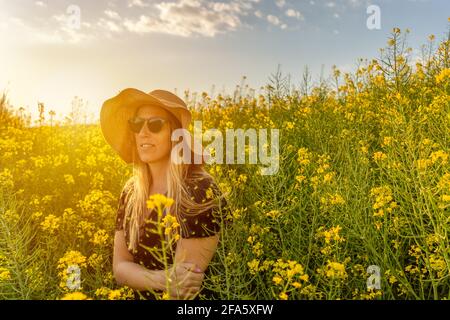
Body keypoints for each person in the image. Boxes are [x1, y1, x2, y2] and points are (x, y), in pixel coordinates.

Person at [100, 88, 229, 300]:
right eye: (136, 124)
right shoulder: (131, 191)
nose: (143, 132)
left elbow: (182, 289)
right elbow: (120, 268)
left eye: (155, 124)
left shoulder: (199, 190)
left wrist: (144, 277)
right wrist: (163, 278)